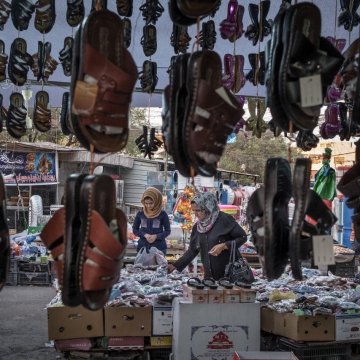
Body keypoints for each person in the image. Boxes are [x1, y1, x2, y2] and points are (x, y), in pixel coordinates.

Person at [168, 192, 247, 280]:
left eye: (198, 210)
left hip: (230, 276)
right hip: (210, 278)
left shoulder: (224, 219)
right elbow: (192, 251)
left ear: (207, 207)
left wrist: (224, 245)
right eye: (194, 211)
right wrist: (175, 266)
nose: (196, 214)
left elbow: (242, 237)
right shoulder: (198, 228)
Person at [133, 187, 171, 255]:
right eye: (146, 203)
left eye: (151, 203)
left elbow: (167, 231)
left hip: (159, 248)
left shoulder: (162, 214)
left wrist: (156, 236)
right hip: (143, 248)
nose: (148, 206)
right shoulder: (141, 213)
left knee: (159, 266)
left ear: (156, 202)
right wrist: (144, 235)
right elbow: (135, 229)